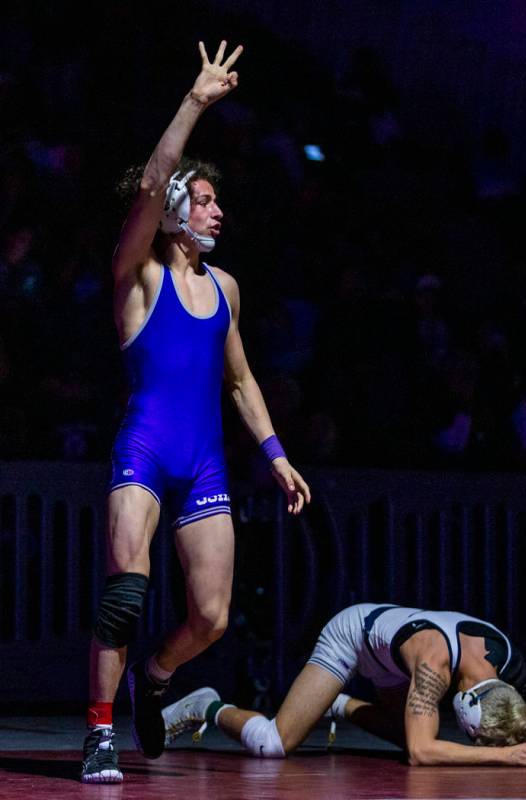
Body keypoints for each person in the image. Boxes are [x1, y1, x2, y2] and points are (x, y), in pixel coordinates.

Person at [81, 40, 311, 784]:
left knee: (210, 617)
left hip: (205, 458)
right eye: (205, 199)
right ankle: (99, 733)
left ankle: (155, 674)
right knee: (125, 593)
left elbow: (241, 382)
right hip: (145, 451)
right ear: (176, 213)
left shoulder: (228, 289)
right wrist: (194, 103)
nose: (219, 210)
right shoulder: (138, 274)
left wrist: (277, 456)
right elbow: (150, 185)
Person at [162, 603, 526, 768]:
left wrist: (511, 744)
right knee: (272, 743)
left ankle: (338, 704)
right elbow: (420, 753)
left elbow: (510, 717)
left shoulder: (508, 664)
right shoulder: (433, 663)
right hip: (352, 635)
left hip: (394, 654)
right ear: (464, 706)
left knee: (416, 734)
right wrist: (501, 757)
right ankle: (205, 706)